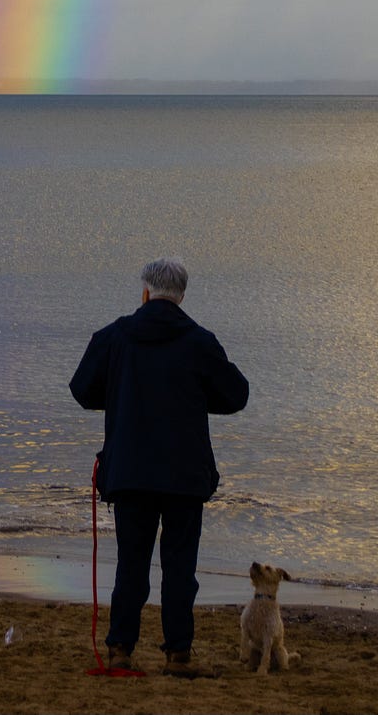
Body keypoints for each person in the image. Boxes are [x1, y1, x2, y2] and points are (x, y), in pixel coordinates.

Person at [70, 258, 250, 677]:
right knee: (180, 566)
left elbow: (82, 389)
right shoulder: (200, 341)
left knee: (131, 562)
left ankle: (120, 650)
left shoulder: (115, 336)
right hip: (184, 475)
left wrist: (121, 395)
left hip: (130, 472)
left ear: (145, 292)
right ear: (182, 296)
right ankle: (178, 655)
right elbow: (236, 395)